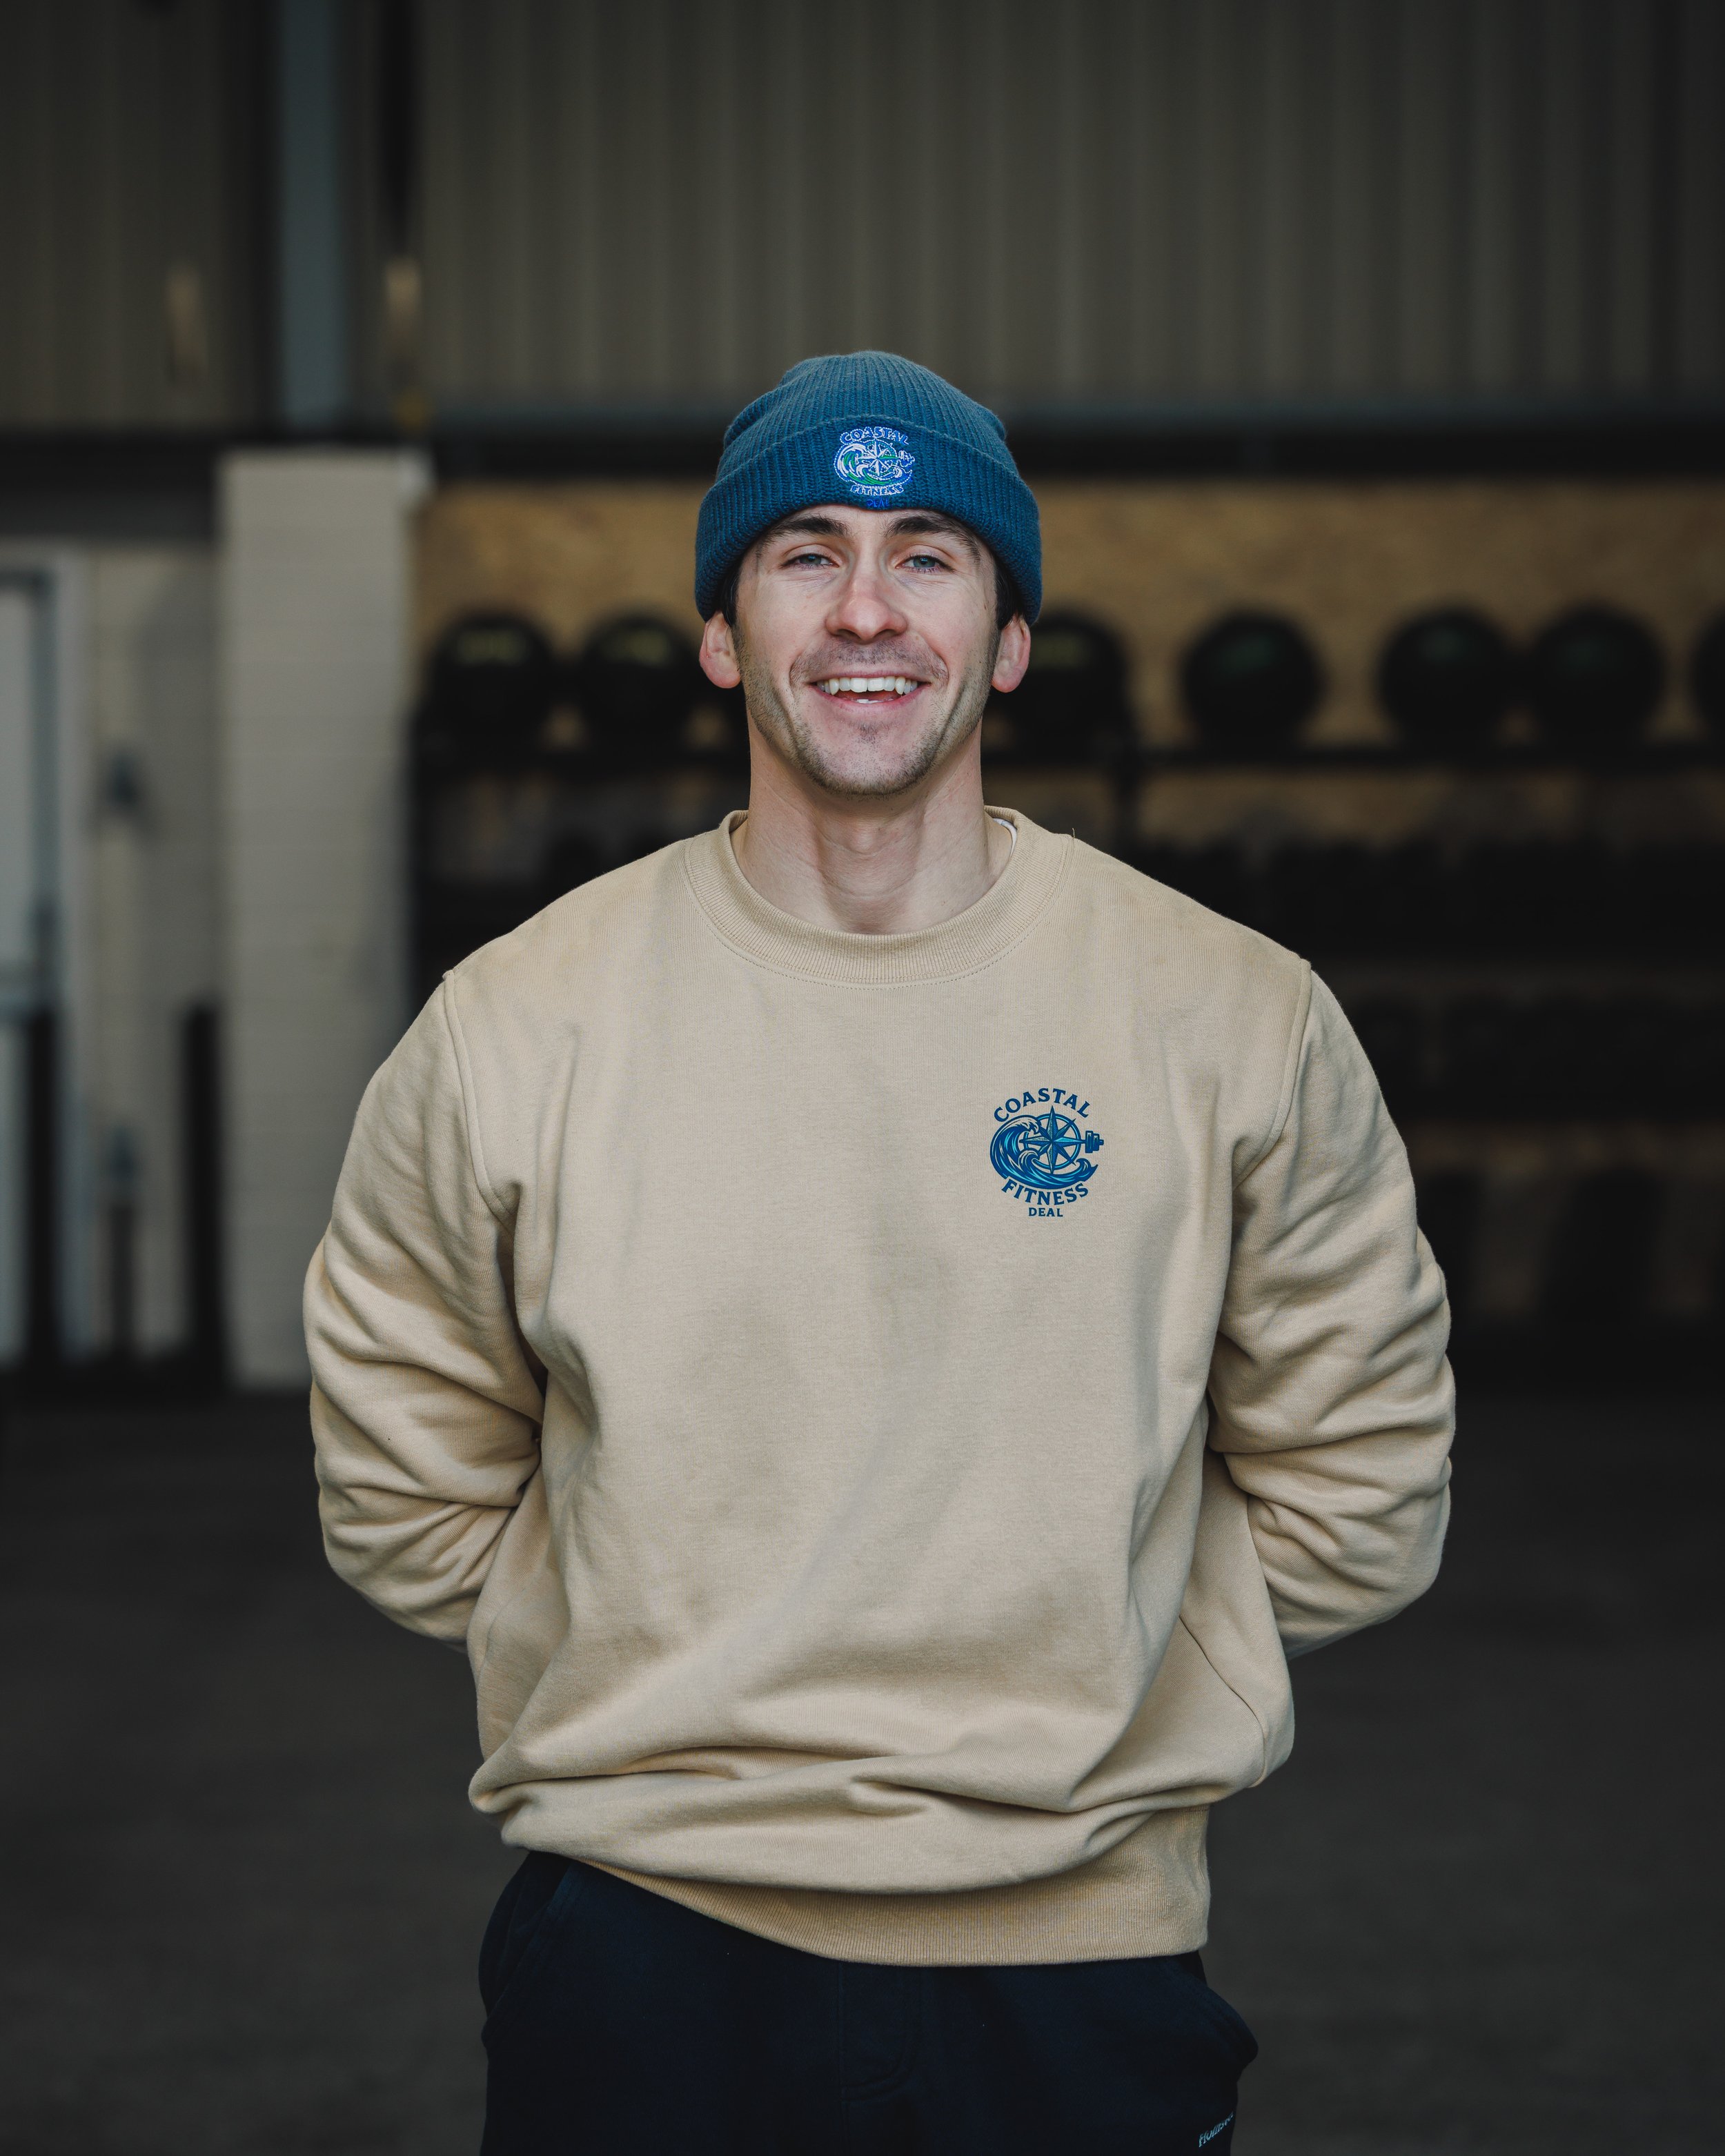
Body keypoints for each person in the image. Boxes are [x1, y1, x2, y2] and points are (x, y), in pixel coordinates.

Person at [306, 350, 1453, 2154]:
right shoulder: (517, 1028)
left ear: (1006, 637)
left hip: (1075, 1961)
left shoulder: (1225, 1016)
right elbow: (400, 1482)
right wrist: (654, 1661)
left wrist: (1111, 1657)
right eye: (801, 554)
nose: (865, 609)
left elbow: (1361, 1481)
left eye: (928, 555)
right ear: (717, 631)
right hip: (640, 1950)